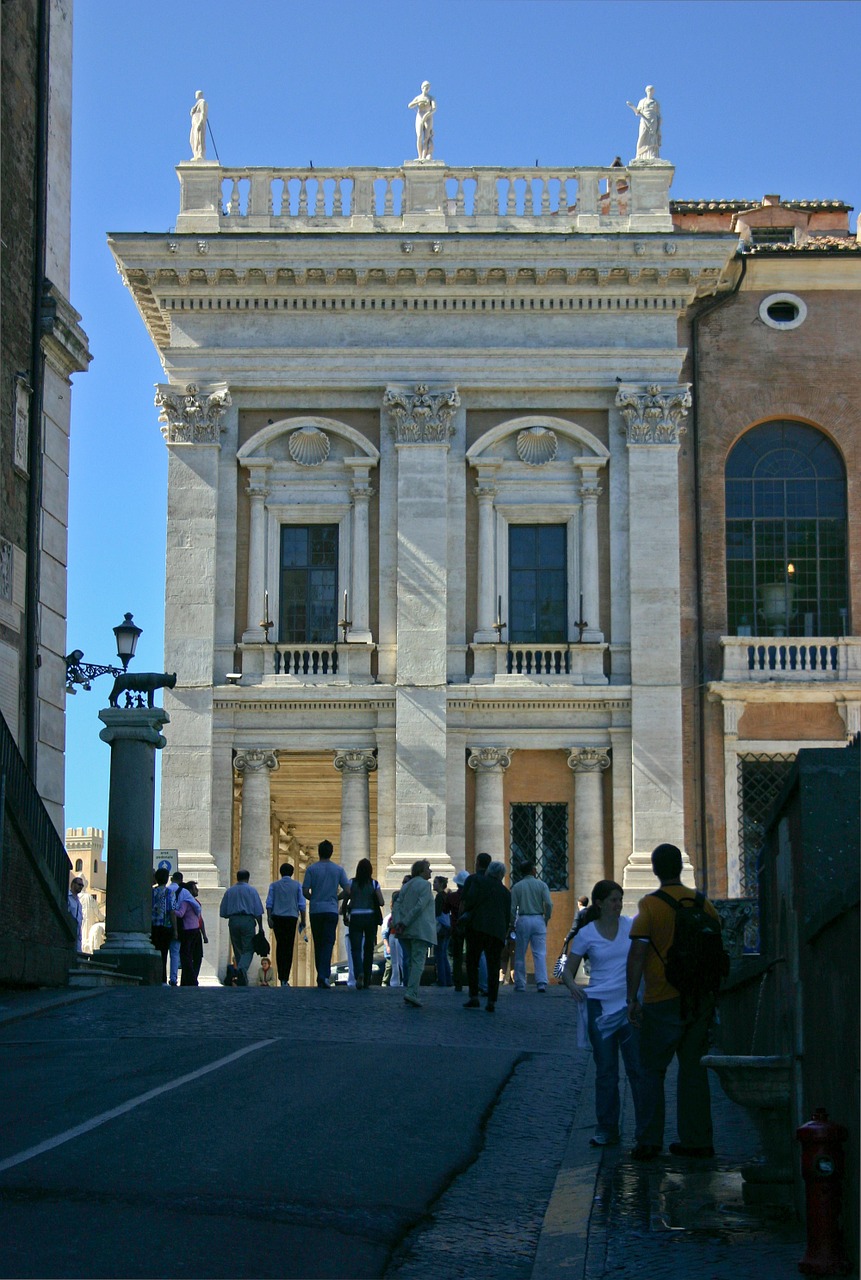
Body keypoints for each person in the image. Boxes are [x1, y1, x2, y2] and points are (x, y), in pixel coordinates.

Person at [626, 843, 721, 1161]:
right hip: (699, 999)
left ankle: (650, 1141)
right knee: (694, 1070)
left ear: (654, 869)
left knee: (652, 1070)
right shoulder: (703, 903)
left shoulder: (650, 906)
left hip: (661, 998)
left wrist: (631, 998)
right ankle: (697, 1141)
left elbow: (637, 953)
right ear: (680, 869)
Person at [562, 879, 646, 1147]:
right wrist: (572, 984)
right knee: (606, 1069)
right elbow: (566, 967)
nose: (618, 904)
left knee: (636, 1068)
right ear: (599, 903)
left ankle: (645, 1130)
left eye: (620, 899)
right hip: (598, 1005)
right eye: (613, 900)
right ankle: (607, 1129)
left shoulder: (630, 926)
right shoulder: (587, 934)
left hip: (628, 1003)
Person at [462, 856, 512, 1013]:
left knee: (473, 962)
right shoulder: (505, 892)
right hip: (496, 932)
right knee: (493, 965)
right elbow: (507, 915)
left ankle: (474, 997)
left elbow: (468, 902)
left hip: (477, 927)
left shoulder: (477, 881)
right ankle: (492, 1000)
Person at [302, 839, 349, 989]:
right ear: (331, 852)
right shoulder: (338, 870)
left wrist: (314, 897)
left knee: (318, 942)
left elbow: (305, 891)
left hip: (316, 910)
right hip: (330, 909)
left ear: (319, 852)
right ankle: (324, 975)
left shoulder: (311, 869)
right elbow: (348, 890)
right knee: (328, 942)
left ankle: (320, 975)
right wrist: (337, 898)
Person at [392, 860, 435, 1008]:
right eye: (428, 869)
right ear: (421, 871)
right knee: (418, 963)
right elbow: (419, 907)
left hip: (405, 931)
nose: (430, 872)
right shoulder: (425, 885)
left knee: (411, 962)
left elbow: (397, 904)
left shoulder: (407, 885)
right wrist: (405, 922)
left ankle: (411, 990)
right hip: (419, 930)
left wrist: (398, 922)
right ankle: (412, 992)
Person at [510, 860, 553, 992]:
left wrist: (512, 923)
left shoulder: (517, 886)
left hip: (523, 919)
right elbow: (549, 904)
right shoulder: (541, 885)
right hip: (538, 918)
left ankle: (520, 983)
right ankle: (541, 982)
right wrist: (546, 918)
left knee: (520, 953)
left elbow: (512, 908)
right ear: (533, 870)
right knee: (539, 952)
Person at [219, 869, 264, 987]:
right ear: (247, 878)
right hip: (247, 920)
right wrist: (260, 927)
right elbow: (258, 911)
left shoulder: (230, 891)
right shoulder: (252, 891)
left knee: (237, 948)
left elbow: (223, 912)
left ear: (237, 877)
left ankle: (241, 977)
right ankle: (241, 969)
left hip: (233, 920)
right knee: (248, 949)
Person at [345, 858, 384, 990]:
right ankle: (367, 978)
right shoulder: (374, 884)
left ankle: (359, 973)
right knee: (368, 949)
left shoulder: (351, 882)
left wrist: (345, 910)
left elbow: (346, 897)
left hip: (355, 917)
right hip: (370, 917)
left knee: (355, 948)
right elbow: (382, 901)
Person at [266, 862, 306, 987]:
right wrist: (303, 920)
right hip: (291, 918)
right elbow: (302, 905)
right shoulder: (297, 885)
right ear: (292, 873)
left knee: (280, 946)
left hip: (277, 918)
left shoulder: (274, 885)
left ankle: (281, 975)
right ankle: (285, 978)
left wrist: (269, 917)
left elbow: (269, 903)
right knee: (288, 948)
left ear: (280, 872)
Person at [176, 879, 206, 986]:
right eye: (195, 888)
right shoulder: (191, 902)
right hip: (193, 931)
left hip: (192, 931)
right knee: (191, 956)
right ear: (190, 890)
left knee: (191, 956)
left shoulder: (190, 902)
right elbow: (200, 919)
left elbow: (200, 919)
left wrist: (204, 934)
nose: (197, 890)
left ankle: (190, 978)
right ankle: (191, 979)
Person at [626, 85, 661, 161]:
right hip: (644, 120)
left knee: (652, 137)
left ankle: (652, 154)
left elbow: (658, 114)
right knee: (642, 135)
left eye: (651, 90)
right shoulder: (642, 101)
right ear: (646, 91)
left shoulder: (656, 103)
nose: (650, 92)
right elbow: (637, 112)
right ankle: (640, 154)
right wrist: (632, 107)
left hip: (653, 120)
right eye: (648, 90)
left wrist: (659, 122)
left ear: (653, 92)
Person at [447, 870, 469, 991]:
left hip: (456, 928)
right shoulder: (471, 896)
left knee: (457, 957)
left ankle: (458, 983)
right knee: (471, 956)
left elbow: (445, 910)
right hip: (469, 927)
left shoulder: (452, 897)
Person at [151, 868, 174, 983]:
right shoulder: (170, 893)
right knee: (164, 954)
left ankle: (154, 978)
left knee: (154, 952)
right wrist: (175, 929)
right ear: (167, 879)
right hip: (165, 927)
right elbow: (172, 911)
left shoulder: (151, 892)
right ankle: (162, 979)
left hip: (153, 927)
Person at [408, 81, 436, 161]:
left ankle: (424, 156)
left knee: (426, 137)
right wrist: (418, 102)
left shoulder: (431, 98)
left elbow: (434, 109)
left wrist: (426, 116)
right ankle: (420, 156)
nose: (426, 88)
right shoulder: (418, 97)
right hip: (419, 116)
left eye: (428, 87)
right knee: (419, 136)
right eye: (425, 87)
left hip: (428, 116)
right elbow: (410, 105)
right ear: (422, 88)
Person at [433, 875, 453, 987]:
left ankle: (442, 980)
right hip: (447, 929)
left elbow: (438, 914)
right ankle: (448, 980)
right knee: (443, 955)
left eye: (435, 882)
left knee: (440, 955)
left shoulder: (439, 897)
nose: (433, 884)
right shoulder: (446, 896)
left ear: (440, 884)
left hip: (441, 929)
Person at [67, 876, 84, 953]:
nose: (81, 887)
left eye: (82, 885)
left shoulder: (79, 903)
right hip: (69, 931)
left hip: (77, 935)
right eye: (79, 884)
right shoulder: (67, 897)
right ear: (73, 884)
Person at [189, 90, 207, 161]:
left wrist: (200, 122)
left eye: (197, 94)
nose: (195, 95)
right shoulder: (197, 103)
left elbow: (203, 113)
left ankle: (200, 155)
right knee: (192, 140)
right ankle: (195, 154)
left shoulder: (202, 102)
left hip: (199, 122)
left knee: (199, 138)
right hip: (194, 123)